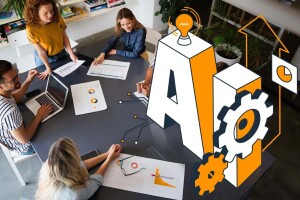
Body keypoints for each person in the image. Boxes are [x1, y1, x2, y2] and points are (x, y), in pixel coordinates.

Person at [35, 137, 122, 200]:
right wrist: (109, 159)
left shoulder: (49, 166)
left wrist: (106, 154)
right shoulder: (74, 194)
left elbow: (81, 165)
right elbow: (95, 181)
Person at [0, 60, 53, 155]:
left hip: (18, 126)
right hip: (25, 146)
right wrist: (39, 116)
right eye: (14, 80)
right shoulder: (9, 111)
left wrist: (28, 80)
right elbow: (24, 139)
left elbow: (13, 98)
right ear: (1, 86)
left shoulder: (3, 94)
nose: (19, 79)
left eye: (16, 73)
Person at [24, 0, 78, 80]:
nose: (50, 15)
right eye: (45, 13)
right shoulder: (31, 29)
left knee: (67, 78)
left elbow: (64, 37)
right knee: (49, 81)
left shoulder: (57, 19)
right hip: (44, 58)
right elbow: (41, 51)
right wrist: (48, 68)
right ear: (35, 13)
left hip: (61, 52)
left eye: (51, 11)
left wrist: (71, 54)